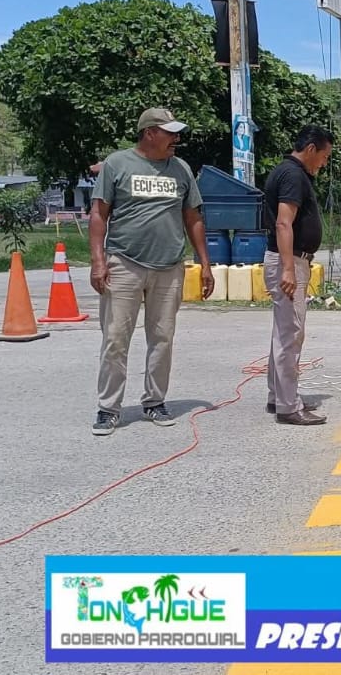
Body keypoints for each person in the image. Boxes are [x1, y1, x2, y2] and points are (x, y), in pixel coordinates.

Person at [88, 107, 213, 436]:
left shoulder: (181, 169)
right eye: (170, 133)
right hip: (124, 263)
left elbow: (193, 218)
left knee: (162, 338)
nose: (176, 139)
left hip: (169, 266)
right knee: (115, 339)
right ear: (149, 133)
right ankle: (108, 408)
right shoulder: (117, 164)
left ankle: (155, 401)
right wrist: (98, 261)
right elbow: (99, 214)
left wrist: (204, 263)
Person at [260, 125, 335, 426]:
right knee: (290, 334)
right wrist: (289, 268)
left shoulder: (290, 172)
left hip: (289, 260)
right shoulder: (292, 175)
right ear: (311, 149)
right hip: (287, 261)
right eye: (324, 157)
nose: (324, 163)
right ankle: (288, 406)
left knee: (283, 332)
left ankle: (277, 396)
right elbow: (283, 223)